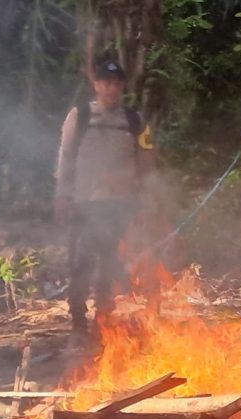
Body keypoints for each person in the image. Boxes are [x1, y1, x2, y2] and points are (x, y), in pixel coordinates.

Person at [54, 61, 155, 342]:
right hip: (83, 203)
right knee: (81, 263)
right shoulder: (81, 116)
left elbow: (146, 163)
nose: (111, 88)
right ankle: (77, 322)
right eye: (105, 82)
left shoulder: (135, 121)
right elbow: (66, 158)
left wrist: (145, 201)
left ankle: (103, 319)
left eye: (116, 83)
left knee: (111, 262)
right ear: (96, 85)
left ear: (121, 87)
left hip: (119, 205)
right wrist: (62, 195)